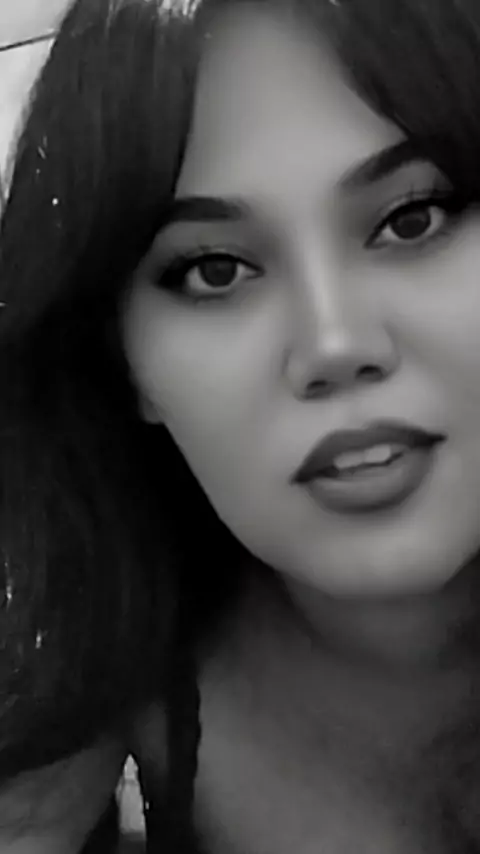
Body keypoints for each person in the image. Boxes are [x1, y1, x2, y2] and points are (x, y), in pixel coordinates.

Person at [3, 0, 480, 851]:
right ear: (123, 362)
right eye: (215, 270)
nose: (335, 346)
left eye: (412, 219)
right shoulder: (96, 670)